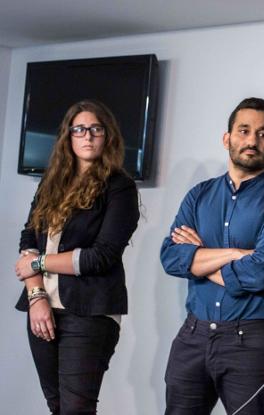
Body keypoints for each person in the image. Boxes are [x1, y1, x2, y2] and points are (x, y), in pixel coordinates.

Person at [160, 97, 264, 414]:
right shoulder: (199, 194)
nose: (252, 140)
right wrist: (236, 254)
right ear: (227, 139)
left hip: (252, 342)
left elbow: (259, 272)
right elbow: (171, 257)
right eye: (244, 130)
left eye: (263, 133)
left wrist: (197, 261)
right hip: (193, 335)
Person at [13, 99, 140, 414]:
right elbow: (29, 237)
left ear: (107, 136)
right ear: (67, 136)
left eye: (96, 129)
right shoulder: (51, 182)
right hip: (42, 307)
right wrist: (36, 296)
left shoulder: (119, 187)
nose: (87, 136)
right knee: (57, 406)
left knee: (75, 410)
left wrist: (38, 263)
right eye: (79, 129)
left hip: (90, 312)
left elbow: (100, 257)